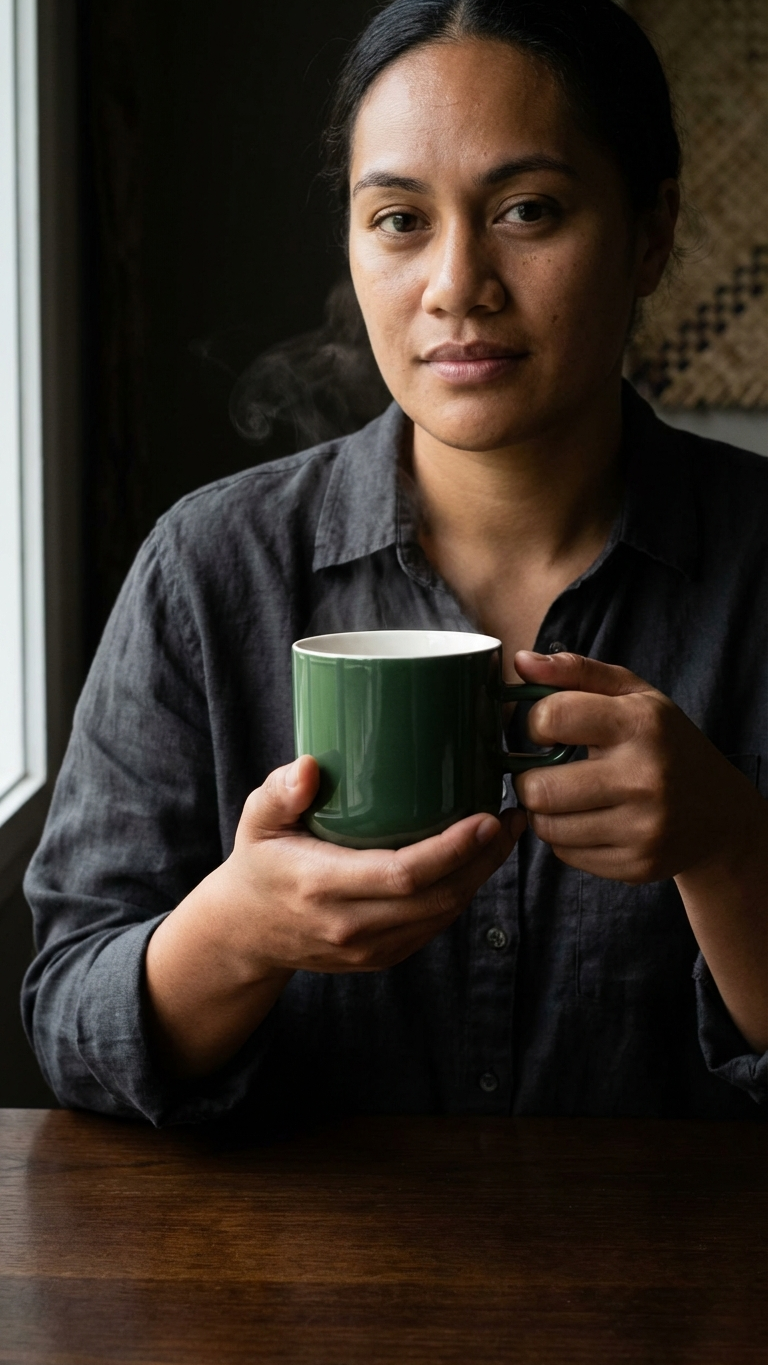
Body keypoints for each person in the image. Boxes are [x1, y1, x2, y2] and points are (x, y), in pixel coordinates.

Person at [23, 0, 766, 1124]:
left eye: (528, 210)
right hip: (289, 1289)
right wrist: (237, 931)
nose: (456, 284)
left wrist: (727, 846)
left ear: (651, 232)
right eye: (400, 219)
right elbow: (67, 1021)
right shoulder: (212, 566)